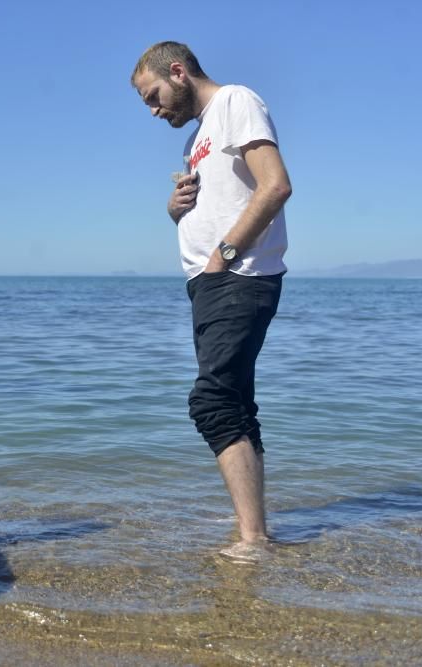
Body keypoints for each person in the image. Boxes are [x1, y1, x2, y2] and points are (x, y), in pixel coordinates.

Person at [130, 41, 292, 562]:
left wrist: (224, 253)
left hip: (238, 276)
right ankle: (252, 524)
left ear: (177, 72)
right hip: (210, 283)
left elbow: (275, 186)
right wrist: (178, 212)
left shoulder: (236, 102)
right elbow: (222, 198)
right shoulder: (198, 137)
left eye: (154, 96)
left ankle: (253, 540)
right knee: (236, 403)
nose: (155, 111)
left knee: (212, 402)